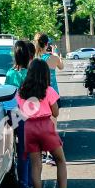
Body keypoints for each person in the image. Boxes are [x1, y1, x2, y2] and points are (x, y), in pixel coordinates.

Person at [17, 59, 76, 188]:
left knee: (36, 166)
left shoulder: (21, 91)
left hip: (29, 127)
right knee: (60, 160)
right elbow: (55, 112)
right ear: (45, 74)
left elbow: (21, 111)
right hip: (45, 126)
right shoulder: (48, 90)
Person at [5, 40, 35, 188]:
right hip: (31, 117)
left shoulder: (10, 73)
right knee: (29, 153)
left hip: (16, 116)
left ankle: (26, 187)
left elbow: (7, 99)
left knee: (23, 152)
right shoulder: (31, 73)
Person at [34, 33, 63, 166]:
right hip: (52, 94)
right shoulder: (53, 58)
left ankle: (42, 152)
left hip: (37, 94)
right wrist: (57, 54)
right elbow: (61, 66)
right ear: (47, 44)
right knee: (52, 123)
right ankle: (51, 154)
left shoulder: (34, 58)